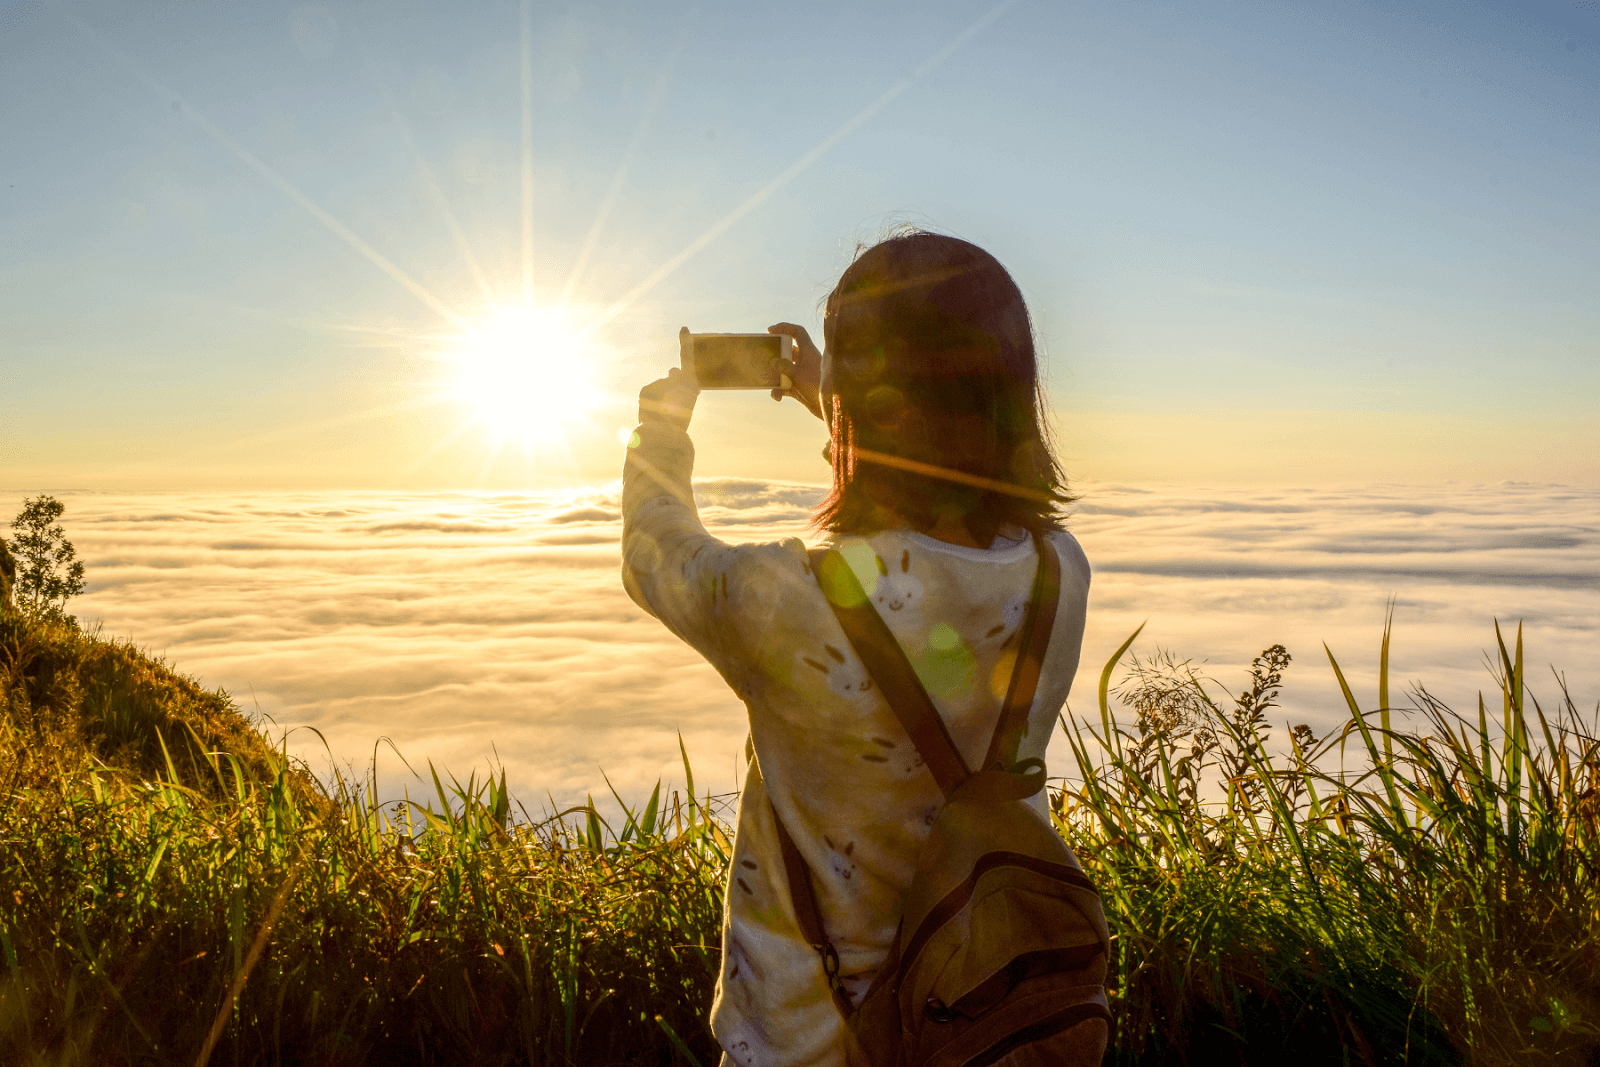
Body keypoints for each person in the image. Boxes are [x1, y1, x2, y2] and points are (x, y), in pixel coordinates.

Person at [621, 231, 1099, 1066]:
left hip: (810, 1039)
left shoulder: (789, 602)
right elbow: (936, 638)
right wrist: (829, 394)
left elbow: (654, 550)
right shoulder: (1058, 574)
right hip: (985, 1013)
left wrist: (660, 430)